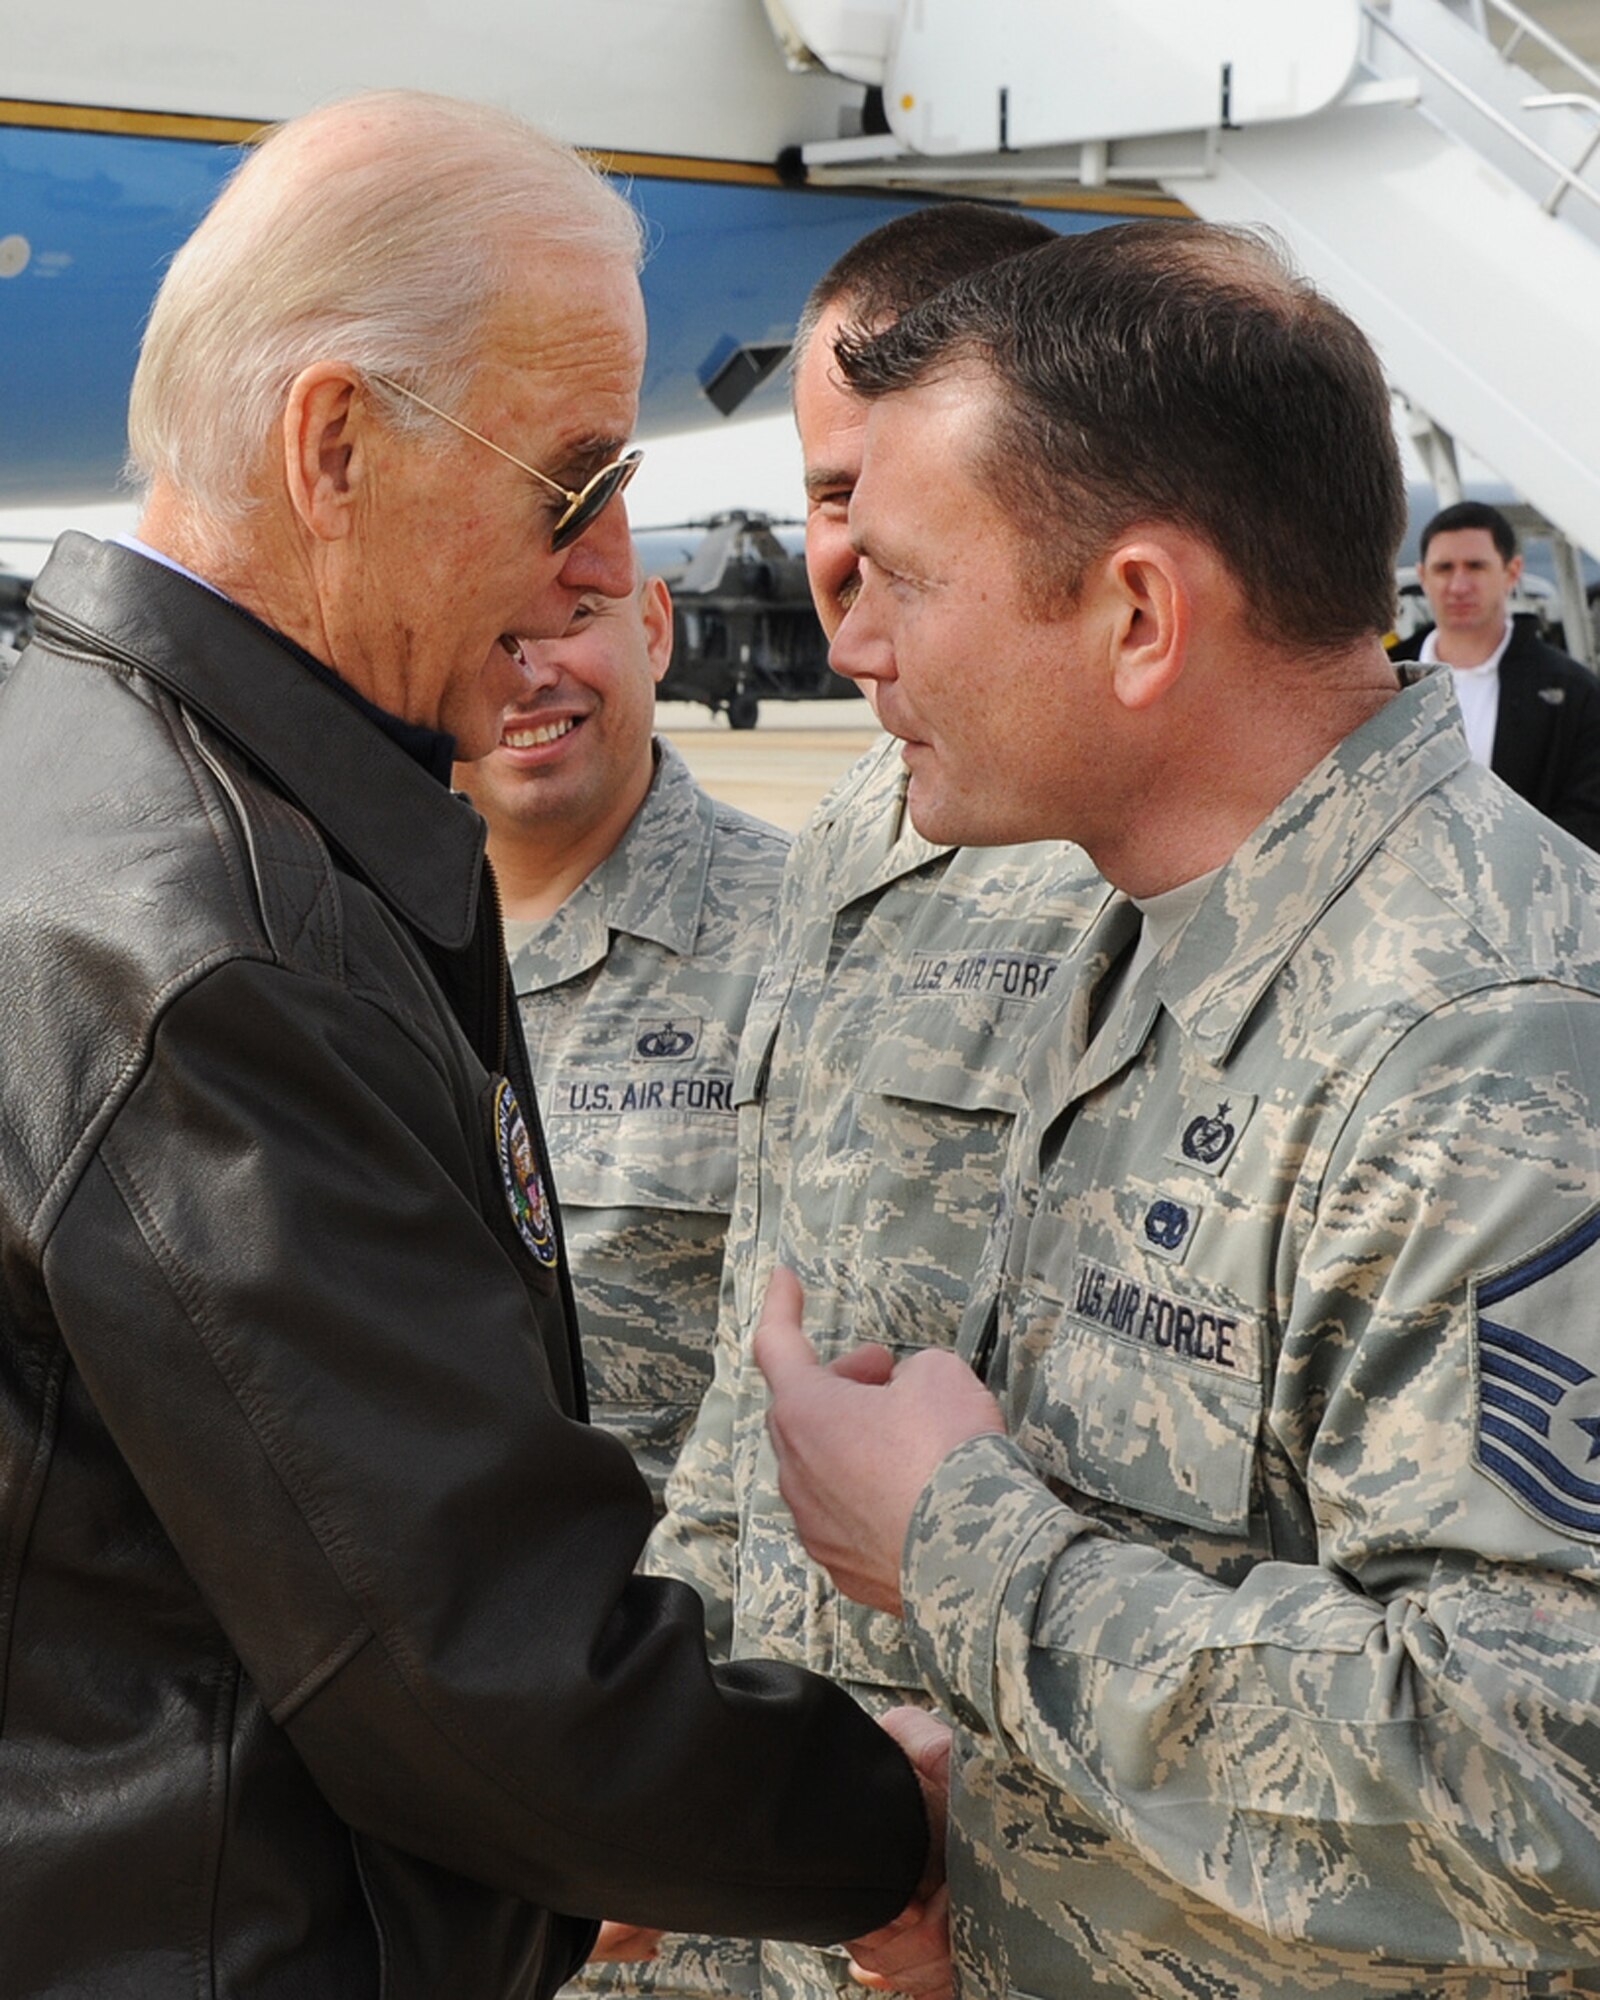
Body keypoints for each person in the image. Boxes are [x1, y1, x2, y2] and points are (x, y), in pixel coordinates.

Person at [0, 90, 942, 2000]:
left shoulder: (94, 784)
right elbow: (471, 1667)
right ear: (332, 443)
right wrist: (889, 1835)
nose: (595, 561)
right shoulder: (210, 947)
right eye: (571, 477)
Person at [757, 221, 1600, 1998]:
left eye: (912, 577)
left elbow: (1546, 1787)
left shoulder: (1484, 1043)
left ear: (1137, 615)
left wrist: (956, 1548)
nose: (861, 646)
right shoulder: (1155, 936)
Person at [646, 203, 1107, 2000]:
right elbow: (759, 1330)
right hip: (804, 1825)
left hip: (1003, 1851)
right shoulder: (852, 832)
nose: (831, 555)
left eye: (865, 497)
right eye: (814, 497)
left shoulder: (1106, 855)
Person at [456, 567, 788, 1520]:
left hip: (685, 1638)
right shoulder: (340, 938)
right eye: (489, 625)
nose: (529, 672)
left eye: (571, 616)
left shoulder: (809, 944)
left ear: (654, 627)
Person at [1391, 499, 1600, 850]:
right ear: (1423, 576)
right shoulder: (1380, 681)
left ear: (1512, 573)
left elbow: (1590, 815)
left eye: (1475, 566)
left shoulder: (1575, 694)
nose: (1459, 585)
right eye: (1444, 568)